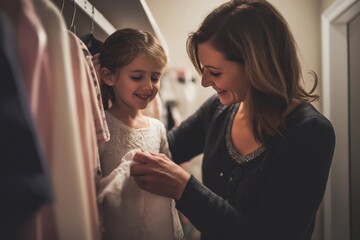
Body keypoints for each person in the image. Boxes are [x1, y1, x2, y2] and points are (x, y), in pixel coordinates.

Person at [130, 1, 336, 239]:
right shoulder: (218, 110)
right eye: (203, 69)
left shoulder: (310, 133)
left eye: (215, 72)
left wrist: (185, 189)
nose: (205, 82)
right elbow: (166, 147)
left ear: (257, 66)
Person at [96, 28, 183, 240]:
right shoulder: (100, 126)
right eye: (137, 77)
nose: (148, 86)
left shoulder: (157, 128)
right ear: (109, 76)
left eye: (155, 77)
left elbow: (168, 188)